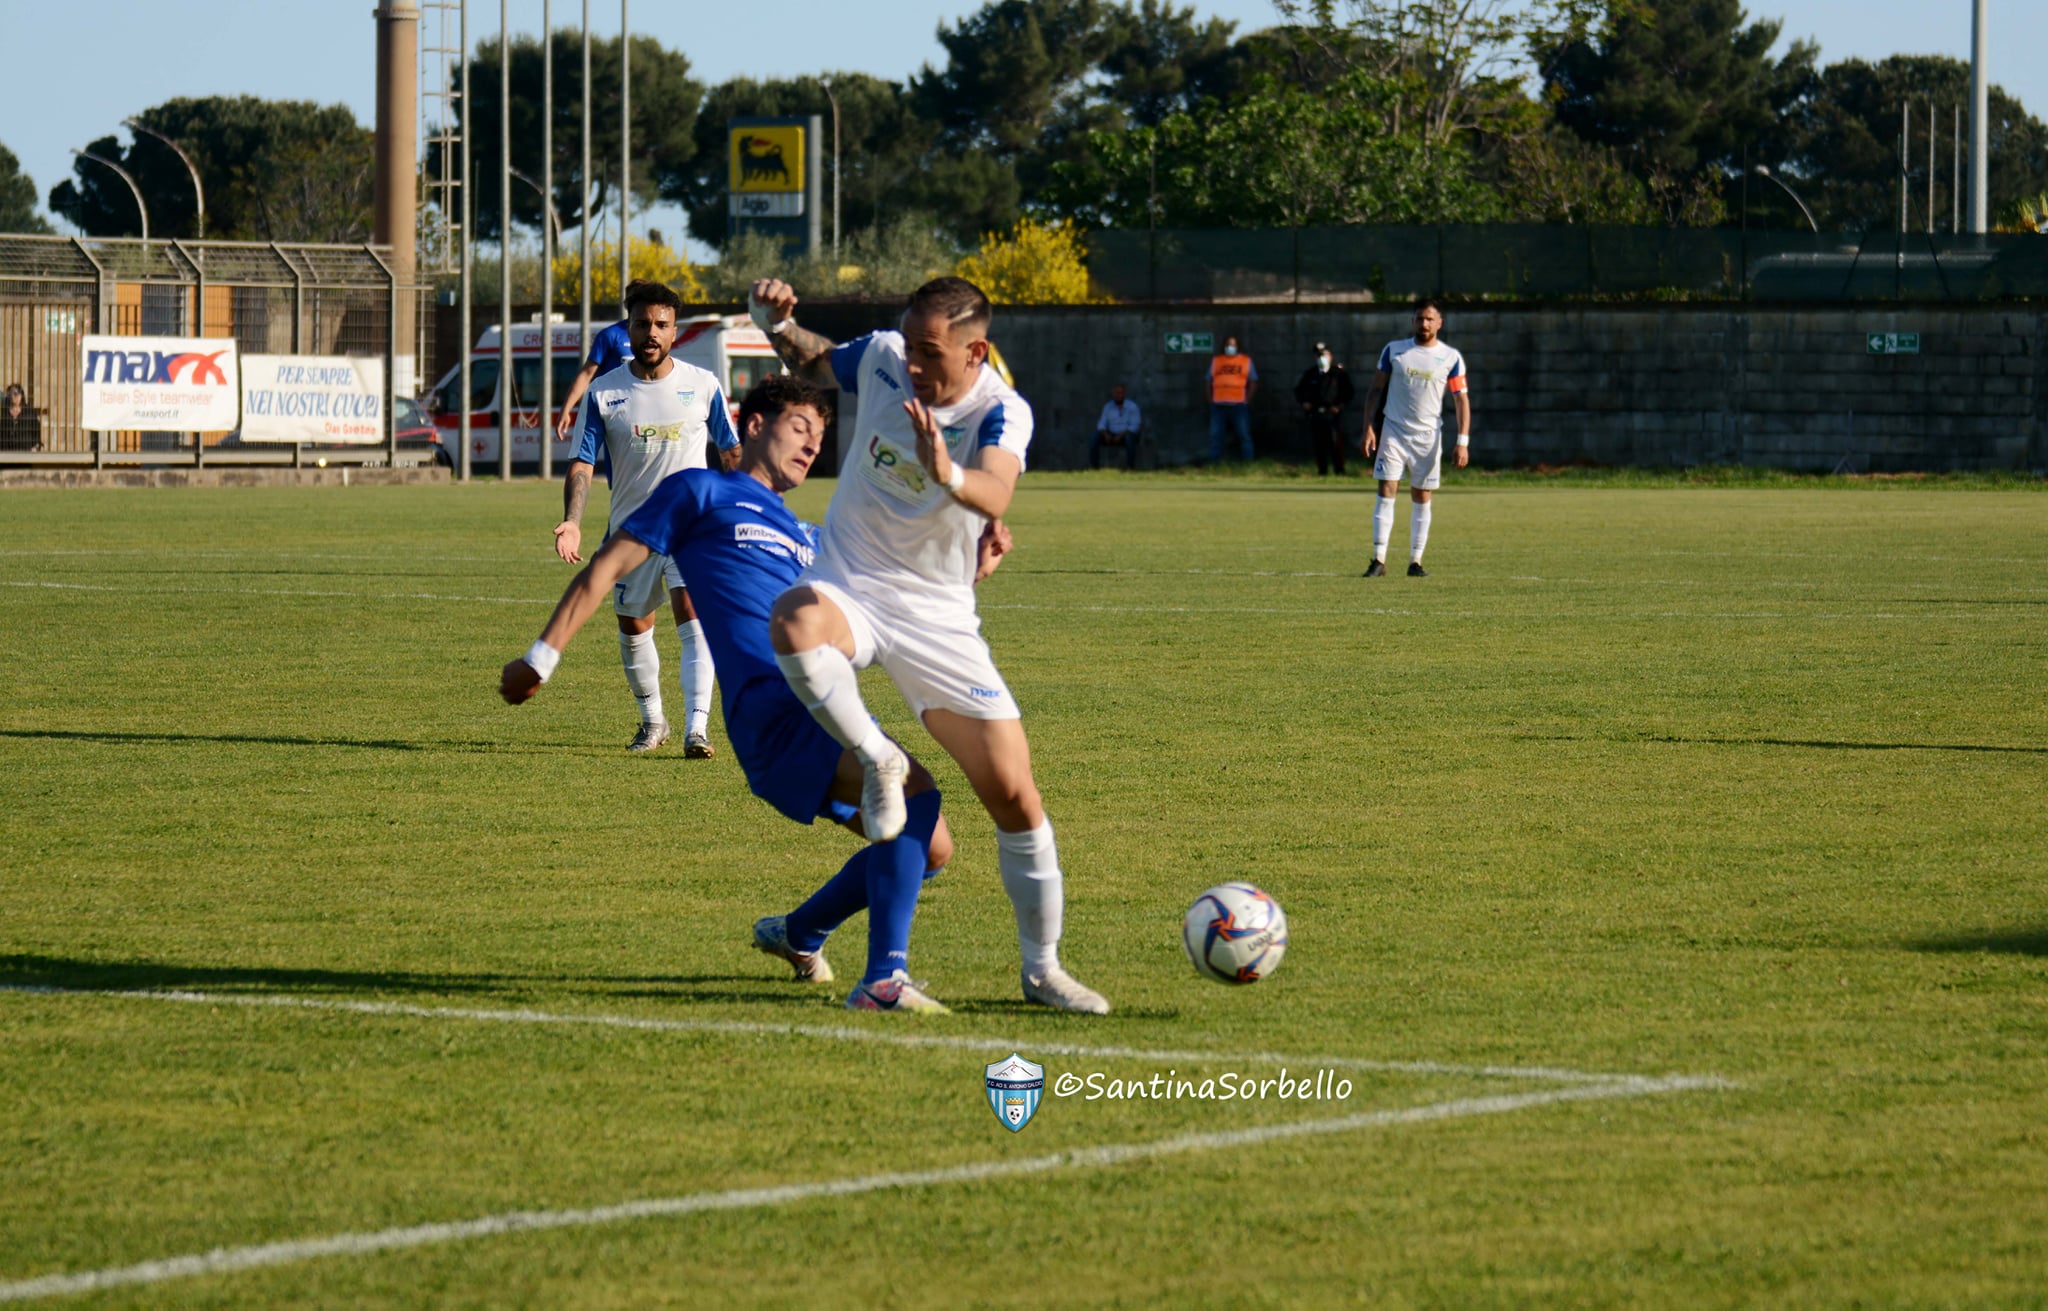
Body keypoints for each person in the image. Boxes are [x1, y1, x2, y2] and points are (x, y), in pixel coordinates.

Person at [502, 377, 1005, 1012]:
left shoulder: (809, 535)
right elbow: (605, 566)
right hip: (772, 712)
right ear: (754, 423)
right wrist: (540, 659)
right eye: (800, 428)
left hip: (825, 708)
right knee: (915, 796)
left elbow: (897, 586)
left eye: (820, 440)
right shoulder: (700, 491)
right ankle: (884, 981)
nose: (811, 446)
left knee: (930, 847)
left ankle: (799, 933)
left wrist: (971, 560)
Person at [748, 272, 1112, 1015]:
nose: (912, 362)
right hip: (850, 581)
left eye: (930, 350)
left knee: (1014, 792)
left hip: (938, 615)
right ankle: (880, 757)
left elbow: (998, 491)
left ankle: (1042, 970)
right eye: (908, 343)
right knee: (793, 618)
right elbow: (818, 362)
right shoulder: (883, 355)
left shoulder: (1002, 412)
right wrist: (776, 326)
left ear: (977, 350)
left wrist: (949, 472)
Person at [553, 280, 739, 754]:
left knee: (692, 613)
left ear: (675, 332)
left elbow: (733, 452)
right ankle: (652, 721)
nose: (651, 332)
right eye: (642, 324)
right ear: (628, 329)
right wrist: (573, 520)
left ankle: (697, 727)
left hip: (693, 530)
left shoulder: (703, 386)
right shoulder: (604, 392)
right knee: (634, 626)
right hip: (630, 534)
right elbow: (582, 463)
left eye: (661, 324)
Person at [1360, 299, 1470, 577]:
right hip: (1394, 432)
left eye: (1430, 319)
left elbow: (1461, 400)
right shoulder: (1394, 350)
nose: (1424, 324)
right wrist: (1369, 427)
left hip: (1428, 436)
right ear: (1413, 321)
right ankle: (1378, 558)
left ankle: (1415, 561)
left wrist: (1462, 441)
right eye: (1420, 319)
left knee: (1422, 495)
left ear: (1440, 323)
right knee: (1387, 489)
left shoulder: (1451, 357)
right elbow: (1375, 389)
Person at [552, 279, 657, 442]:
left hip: (649, 412)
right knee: (618, 465)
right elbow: (586, 374)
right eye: (633, 300)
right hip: (618, 414)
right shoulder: (610, 335)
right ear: (626, 304)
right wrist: (566, 409)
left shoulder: (655, 335)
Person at [1293, 343, 1354, 476]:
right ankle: (1322, 471)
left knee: (1335, 443)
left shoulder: (1338, 374)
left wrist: (1339, 406)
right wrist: (1305, 403)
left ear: (1330, 356)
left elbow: (1348, 392)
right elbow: (1299, 391)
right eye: (1319, 356)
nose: (1322, 358)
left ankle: (1340, 470)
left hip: (1332, 415)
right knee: (1318, 444)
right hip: (1316, 414)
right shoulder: (1311, 374)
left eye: (1324, 355)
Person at [1206, 334, 1257, 462]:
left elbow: (1253, 381)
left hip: (1238, 404)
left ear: (1238, 346)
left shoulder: (1245, 361)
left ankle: (1248, 462)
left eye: (1233, 345)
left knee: (1244, 435)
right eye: (1228, 345)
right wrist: (1210, 399)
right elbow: (1208, 380)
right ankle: (1214, 463)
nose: (1230, 347)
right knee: (1215, 435)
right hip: (1218, 404)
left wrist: (1247, 400)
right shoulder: (1217, 360)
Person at [1090, 382, 1141, 470]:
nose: (1118, 395)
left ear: (1124, 394)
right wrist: (1106, 434)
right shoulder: (1108, 406)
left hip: (1126, 434)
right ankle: (1094, 467)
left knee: (1130, 438)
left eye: (1120, 393)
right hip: (1111, 434)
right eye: (1116, 393)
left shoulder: (1132, 407)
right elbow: (1101, 423)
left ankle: (1130, 467)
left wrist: (1121, 435)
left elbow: (1135, 425)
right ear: (1113, 394)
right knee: (1094, 436)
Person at [0, 383, 40, 452]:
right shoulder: (3, 412)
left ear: (21, 395)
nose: (12, 396)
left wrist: (36, 447)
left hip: (25, 453)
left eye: (15, 394)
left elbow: (36, 431)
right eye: (10, 394)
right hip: (5, 453)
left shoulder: (29, 412)